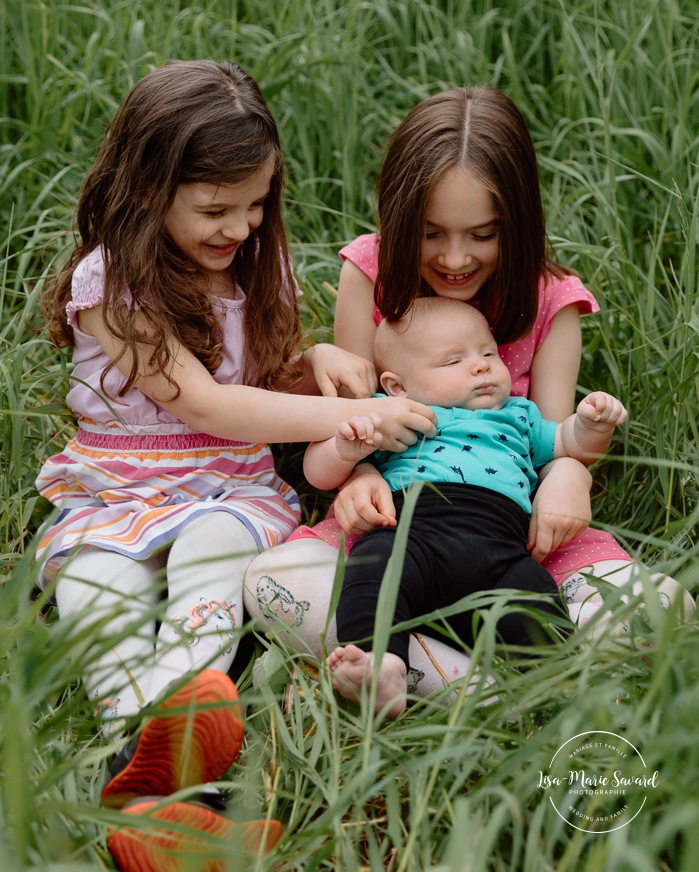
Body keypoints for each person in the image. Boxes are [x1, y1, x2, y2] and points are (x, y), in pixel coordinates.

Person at [34, 59, 436, 866]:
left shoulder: (256, 266)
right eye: (215, 208)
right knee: (96, 593)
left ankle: (158, 786)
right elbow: (205, 404)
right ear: (147, 191)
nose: (240, 227)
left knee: (212, 562)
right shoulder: (111, 282)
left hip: (225, 482)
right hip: (114, 486)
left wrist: (313, 357)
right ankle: (155, 784)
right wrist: (356, 414)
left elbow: (250, 387)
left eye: (255, 206)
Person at [244, 84, 693, 697]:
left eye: (482, 234)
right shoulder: (369, 272)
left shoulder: (549, 302)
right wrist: (360, 479)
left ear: (517, 223)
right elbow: (346, 419)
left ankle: (459, 661)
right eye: (431, 234)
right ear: (401, 221)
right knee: (275, 581)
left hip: (521, 534)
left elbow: (558, 438)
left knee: (664, 611)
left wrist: (572, 474)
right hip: (392, 521)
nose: (455, 258)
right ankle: (475, 684)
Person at [305, 297, 628, 716]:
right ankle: (382, 666)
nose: (481, 365)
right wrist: (347, 449)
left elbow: (570, 445)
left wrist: (590, 424)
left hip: (501, 551)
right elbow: (322, 473)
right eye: (453, 360)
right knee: (372, 571)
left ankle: (558, 688)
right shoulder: (399, 416)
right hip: (409, 533)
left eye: (488, 352)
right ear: (398, 386)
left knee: (537, 604)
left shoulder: (519, 415)